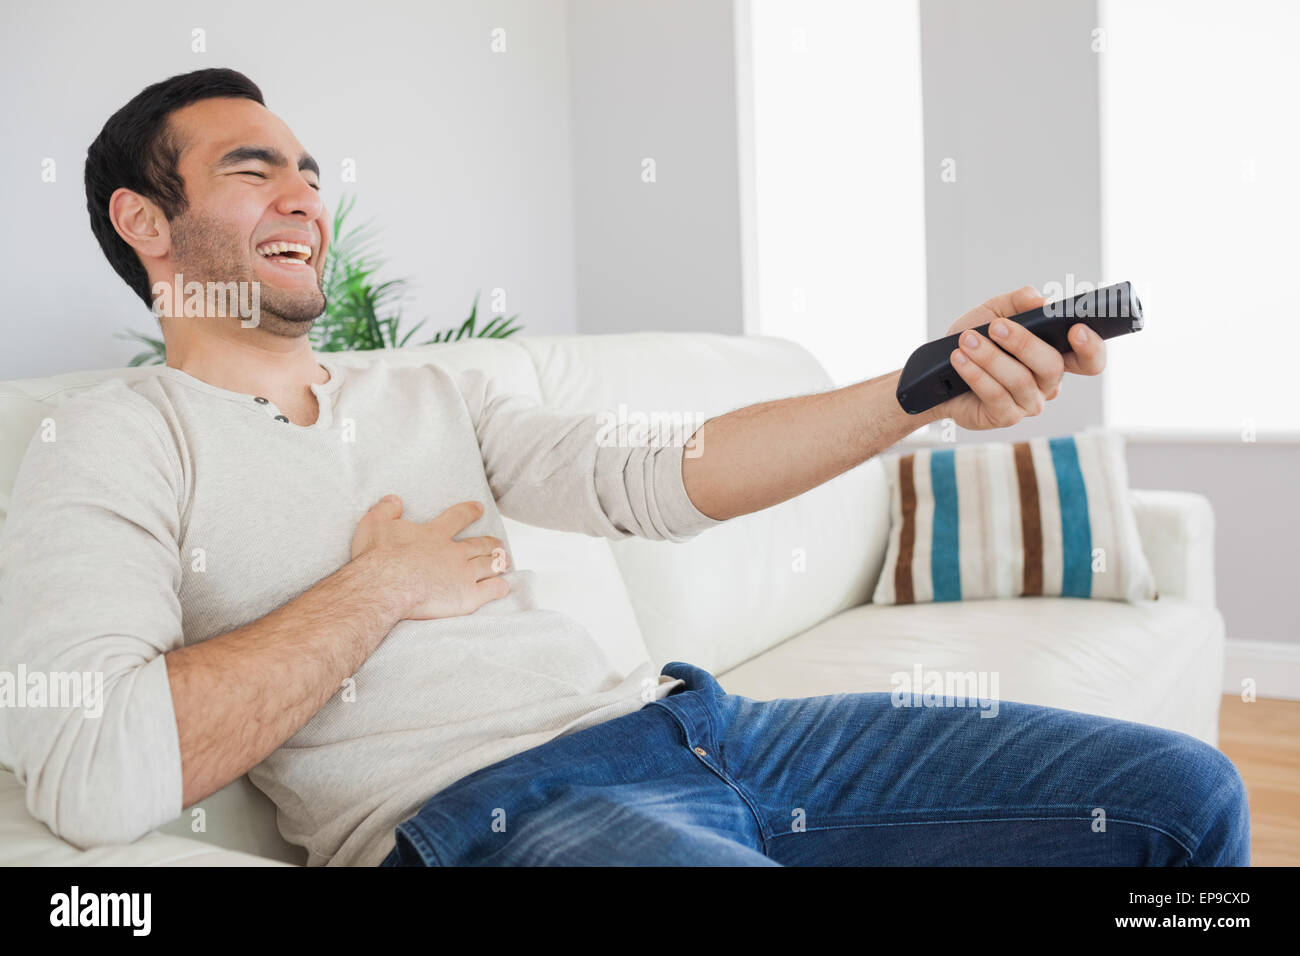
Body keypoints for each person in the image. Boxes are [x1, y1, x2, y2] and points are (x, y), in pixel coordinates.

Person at [0, 69, 1249, 867]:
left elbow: (668, 471)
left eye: (311, 174)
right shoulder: (112, 439)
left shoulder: (434, 388)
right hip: (495, 814)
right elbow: (90, 765)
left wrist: (916, 388)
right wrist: (374, 588)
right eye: (251, 168)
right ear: (144, 221)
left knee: (1178, 798)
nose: (304, 196)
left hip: (704, 729)